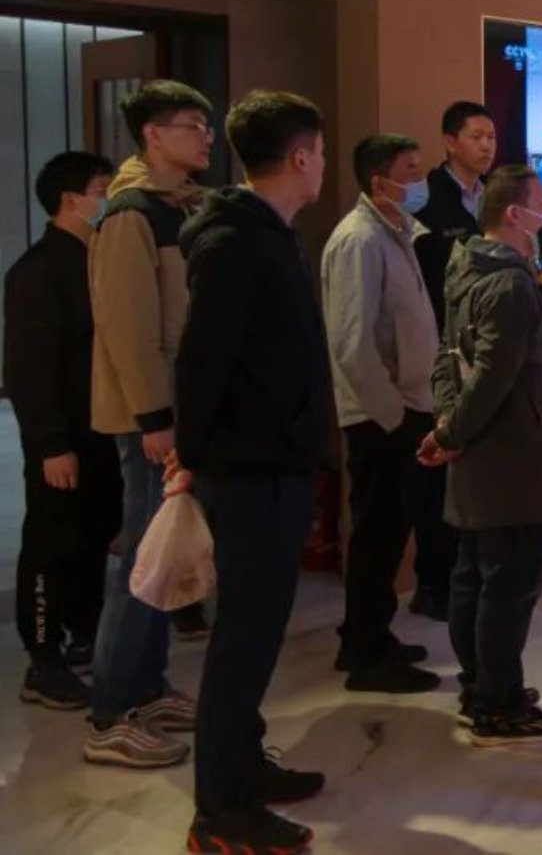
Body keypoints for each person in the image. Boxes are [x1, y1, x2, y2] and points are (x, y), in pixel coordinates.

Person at [174, 90, 334, 854]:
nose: (323, 165)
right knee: (241, 640)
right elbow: (202, 361)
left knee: (259, 633)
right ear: (300, 156)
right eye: (321, 152)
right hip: (247, 469)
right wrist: (193, 458)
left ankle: (243, 765)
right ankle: (219, 811)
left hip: (272, 461)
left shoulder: (266, 233)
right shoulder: (238, 241)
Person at [84, 79, 213, 770]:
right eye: (192, 125)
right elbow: (129, 329)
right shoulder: (130, 214)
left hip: (176, 412)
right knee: (141, 556)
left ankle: (147, 687)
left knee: (163, 553)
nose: (206, 137)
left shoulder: (180, 205)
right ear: (153, 135)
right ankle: (110, 712)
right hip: (148, 419)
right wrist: (154, 417)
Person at [421, 165, 542, 746]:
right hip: (510, 455)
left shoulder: (465, 268)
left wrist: (447, 425)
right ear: (515, 214)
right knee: (507, 583)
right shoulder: (510, 285)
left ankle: (482, 686)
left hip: (478, 450)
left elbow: (448, 359)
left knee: (475, 575)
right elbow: (493, 377)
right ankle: (495, 705)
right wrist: (452, 431)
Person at [321, 134, 442, 694]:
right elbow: (352, 344)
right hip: (381, 416)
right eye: (410, 172)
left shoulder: (396, 232)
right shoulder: (359, 240)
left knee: (391, 532)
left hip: (406, 407)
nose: (419, 181)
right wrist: (394, 416)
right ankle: (364, 653)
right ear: (379, 182)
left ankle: (369, 632)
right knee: (376, 534)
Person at [6, 152, 121, 711]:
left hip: (100, 431)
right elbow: (28, 370)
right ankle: (42, 658)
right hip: (62, 438)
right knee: (52, 544)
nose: (109, 198)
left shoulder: (95, 259)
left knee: (92, 537)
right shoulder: (38, 270)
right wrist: (51, 443)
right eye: (102, 189)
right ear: (71, 199)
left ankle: (84, 634)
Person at [409, 100, 497, 621]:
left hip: (484, 348)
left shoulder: (491, 197)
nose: (486, 145)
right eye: (476, 136)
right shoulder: (426, 199)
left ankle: (467, 577)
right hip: (442, 350)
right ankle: (432, 583)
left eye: (491, 136)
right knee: (436, 477)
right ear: (449, 142)